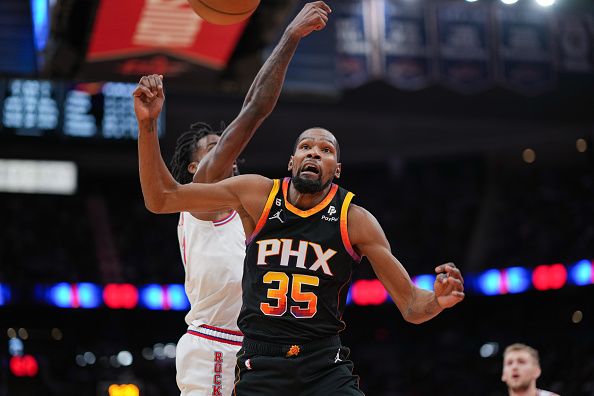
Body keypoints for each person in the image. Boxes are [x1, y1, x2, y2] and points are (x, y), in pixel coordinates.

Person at [133, 3, 465, 395]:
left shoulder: (354, 218)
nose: (314, 153)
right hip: (241, 352)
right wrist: (149, 125)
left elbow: (411, 305)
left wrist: (438, 302)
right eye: (306, 146)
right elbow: (165, 192)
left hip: (320, 360)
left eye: (325, 150)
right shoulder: (244, 194)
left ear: (337, 168)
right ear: (291, 160)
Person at [163, 2, 331, 394]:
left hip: (257, 351)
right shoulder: (202, 196)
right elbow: (254, 108)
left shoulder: (255, 214)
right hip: (216, 346)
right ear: (194, 170)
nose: (225, 154)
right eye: (213, 148)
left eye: (226, 148)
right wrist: (289, 37)